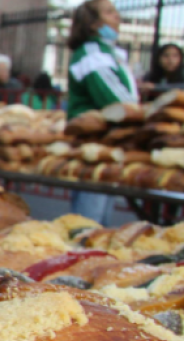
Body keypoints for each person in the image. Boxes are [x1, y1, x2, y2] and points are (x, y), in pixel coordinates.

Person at [67, 0, 136, 226]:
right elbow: (115, 101)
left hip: (106, 143)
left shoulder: (109, 51)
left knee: (101, 220)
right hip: (94, 144)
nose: (117, 16)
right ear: (94, 23)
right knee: (89, 223)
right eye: (109, 12)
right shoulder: (92, 52)